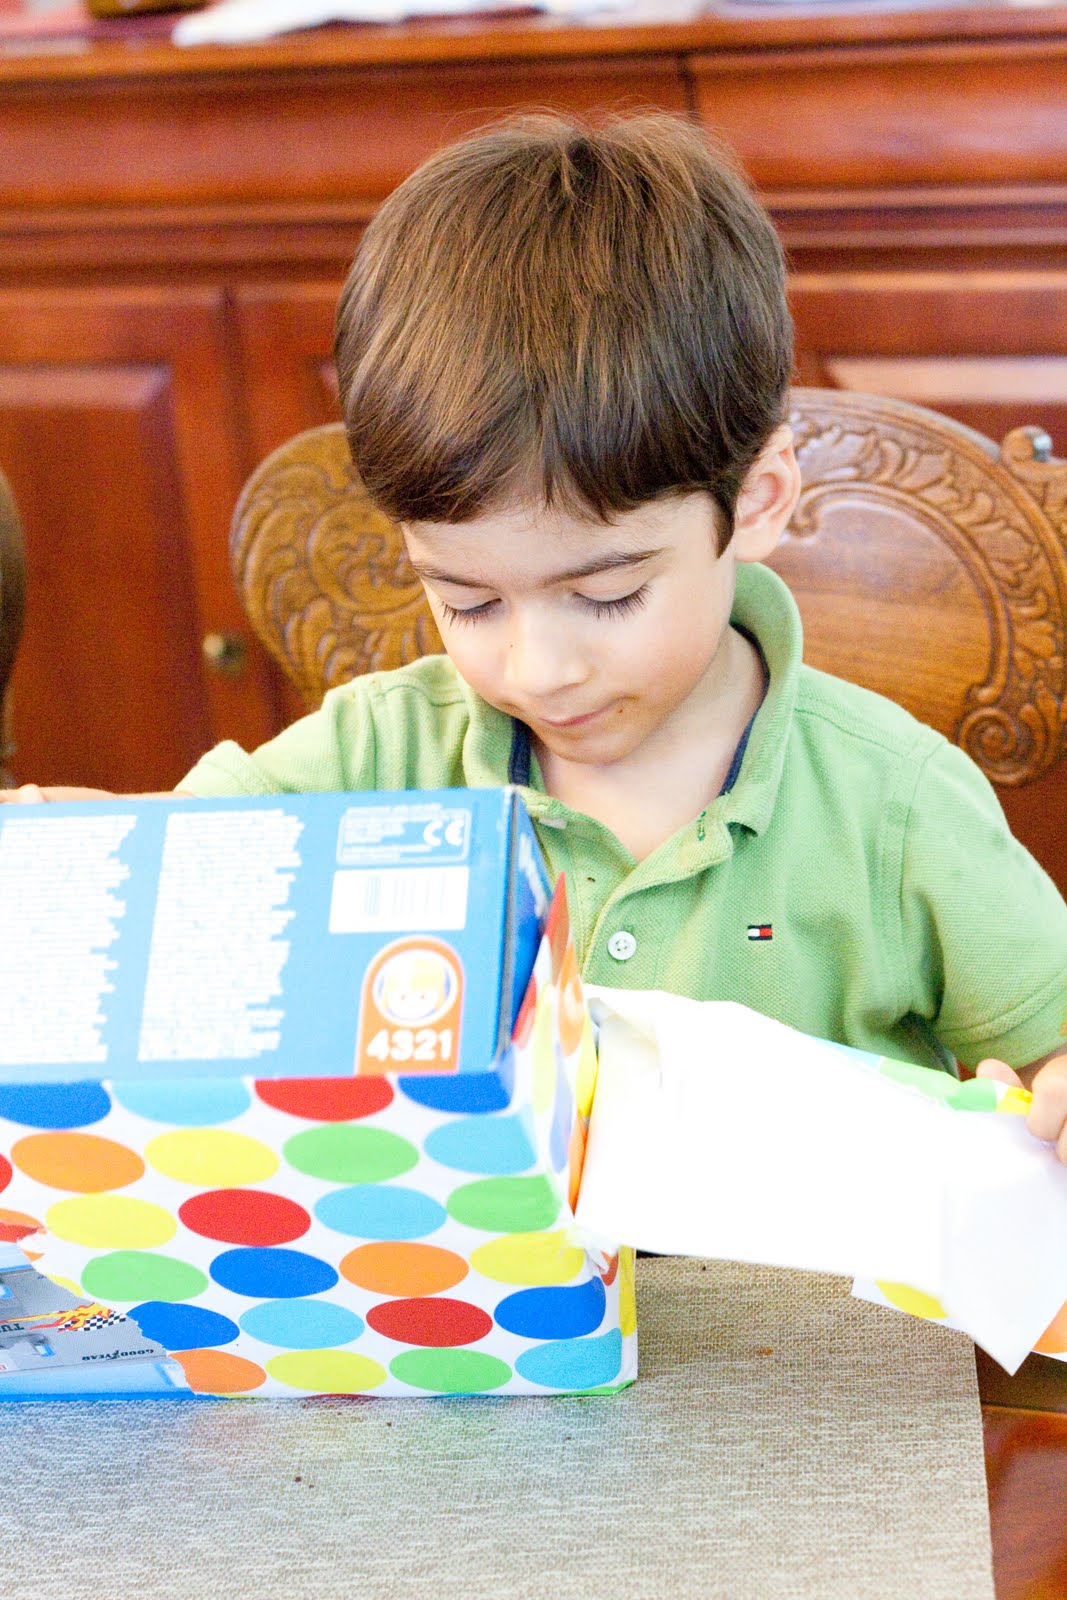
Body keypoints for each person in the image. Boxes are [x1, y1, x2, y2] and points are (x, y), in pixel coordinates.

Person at [6, 114, 1067, 1161]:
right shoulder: (376, 755)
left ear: (758, 500)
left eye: (606, 595)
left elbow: (1049, 1046)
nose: (537, 669)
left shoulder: (896, 807)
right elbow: (179, 876)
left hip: (802, 1278)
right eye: (468, 602)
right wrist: (73, 854)